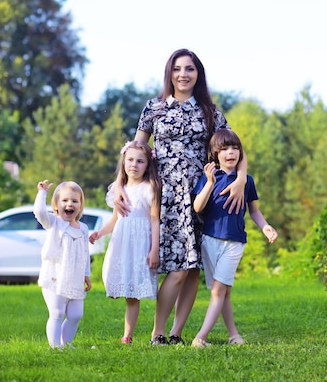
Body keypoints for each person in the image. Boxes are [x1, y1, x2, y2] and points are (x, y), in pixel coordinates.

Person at [113, 48, 248, 346]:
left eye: (189, 69)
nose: (183, 74)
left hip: (202, 194)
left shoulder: (210, 112)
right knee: (175, 268)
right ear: (169, 73)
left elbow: (236, 147)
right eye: (177, 69)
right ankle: (157, 332)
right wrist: (119, 184)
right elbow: (134, 151)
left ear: (198, 74)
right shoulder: (154, 108)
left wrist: (240, 179)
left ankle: (176, 333)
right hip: (166, 197)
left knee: (192, 268)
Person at [190, 129, 277, 348]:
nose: (231, 153)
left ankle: (200, 337)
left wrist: (265, 226)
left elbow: (254, 211)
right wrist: (209, 182)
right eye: (225, 149)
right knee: (223, 291)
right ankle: (233, 335)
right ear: (215, 154)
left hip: (235, 241)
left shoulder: (247, 181)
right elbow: (197, 207)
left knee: (219, 290)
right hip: (210, 241)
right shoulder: (209, 178)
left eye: (235, 148)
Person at [89, 141, 161, 345]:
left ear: (148, 164)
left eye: (140, 161)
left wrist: (154, 250)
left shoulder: (150, 188)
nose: (134, 165)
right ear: (123, 161)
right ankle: (116, 290)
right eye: (130, 160)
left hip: (140, 245)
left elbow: (155, 219)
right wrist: (100, 233)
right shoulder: (118, 189)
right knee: (116, 280)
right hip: (121, 242)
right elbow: (115, 219)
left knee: (133, 294)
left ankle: (127, 335)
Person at [34, 179, 92, 349]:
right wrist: (42, 193)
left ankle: (66, 343)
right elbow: (39, 211)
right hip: (54, 277)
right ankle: (55, 347)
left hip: (74, 279)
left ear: (80, 206)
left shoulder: (83, 228)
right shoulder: (54, 223)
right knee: (57, 313)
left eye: (75, 201)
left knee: (75, 314)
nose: (70, 204)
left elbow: (85, 253)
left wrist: (86, 274)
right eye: (65, 200)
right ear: (56, 205)